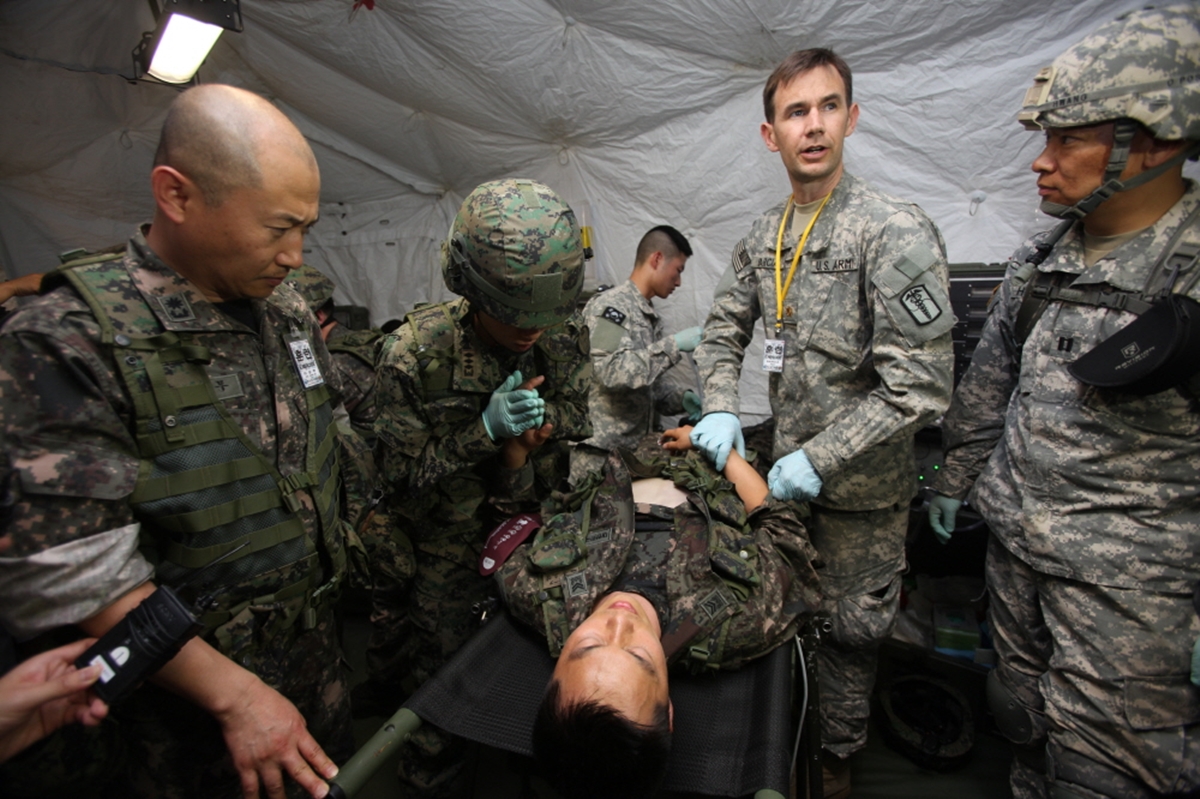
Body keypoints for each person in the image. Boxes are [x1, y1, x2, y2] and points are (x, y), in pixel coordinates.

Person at [0, 84, 353, 799]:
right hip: (179, 731)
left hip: (313, 675)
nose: (296, 255)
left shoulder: (281, 311)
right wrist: (233, 694)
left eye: (307, 228)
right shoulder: (66, 339)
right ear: (177, 195)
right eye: (278, 227)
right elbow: (73, 567)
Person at [928, 7, 1200, 798]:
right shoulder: (1039, 262)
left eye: (1067, 140)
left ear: (1151, 141)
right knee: (1018, 717)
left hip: (1131, 591)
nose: (1041, 164)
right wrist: (953, 480)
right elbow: (987, 387)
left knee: (1100, 772)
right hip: (1017, 552)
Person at [689, 48, 955, 797]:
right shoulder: (763, 236)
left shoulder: (889, 230)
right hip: (783, 487)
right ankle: (781, 749)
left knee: (848, 640)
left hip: (859, 498)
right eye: (796, 111)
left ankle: (834, 767)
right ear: (770, 134)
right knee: (780, 622)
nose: (814, 125)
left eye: (829, 106)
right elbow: (719, 332)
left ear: (852, 117)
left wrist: (821, 457)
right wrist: (717, 401)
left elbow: (923, 384)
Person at [373, 177, 592, 796]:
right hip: (450, 550)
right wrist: (483, 433)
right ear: (469, 287)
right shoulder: (415, 355)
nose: (532, 333)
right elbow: (397, 480)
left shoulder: (564, 331)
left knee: (536, 678)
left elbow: (582, 415)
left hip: (539, 533)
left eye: (543, 320)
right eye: (514, 316)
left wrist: (544, 428)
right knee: (441, 691)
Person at [493, 426, 820, 799]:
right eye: (637, 654)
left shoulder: (538, 595)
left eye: (588, 645)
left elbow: (514, 522)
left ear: (551, 677)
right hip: (715, 462)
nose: (619, 621)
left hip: (632, 445)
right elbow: (784, 533)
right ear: (668, 711)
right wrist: (719, 450)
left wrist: (516, 454)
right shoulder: (736, 620)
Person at [285, 264, 415, 714]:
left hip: (379, 490)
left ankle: (384, 684)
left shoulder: (336, 362)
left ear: (317, 317)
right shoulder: (360, 346)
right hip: (391, 483)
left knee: (388, 584)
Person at [569, 225, 703, 484]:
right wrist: (673, 345)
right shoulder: (612, 307)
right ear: (657, 259)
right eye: (678, 270)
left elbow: (645, 384)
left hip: (631, 456)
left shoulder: (648, 315)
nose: (679, 282)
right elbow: (610, 371)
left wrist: (681, 398)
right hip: (600, 458)